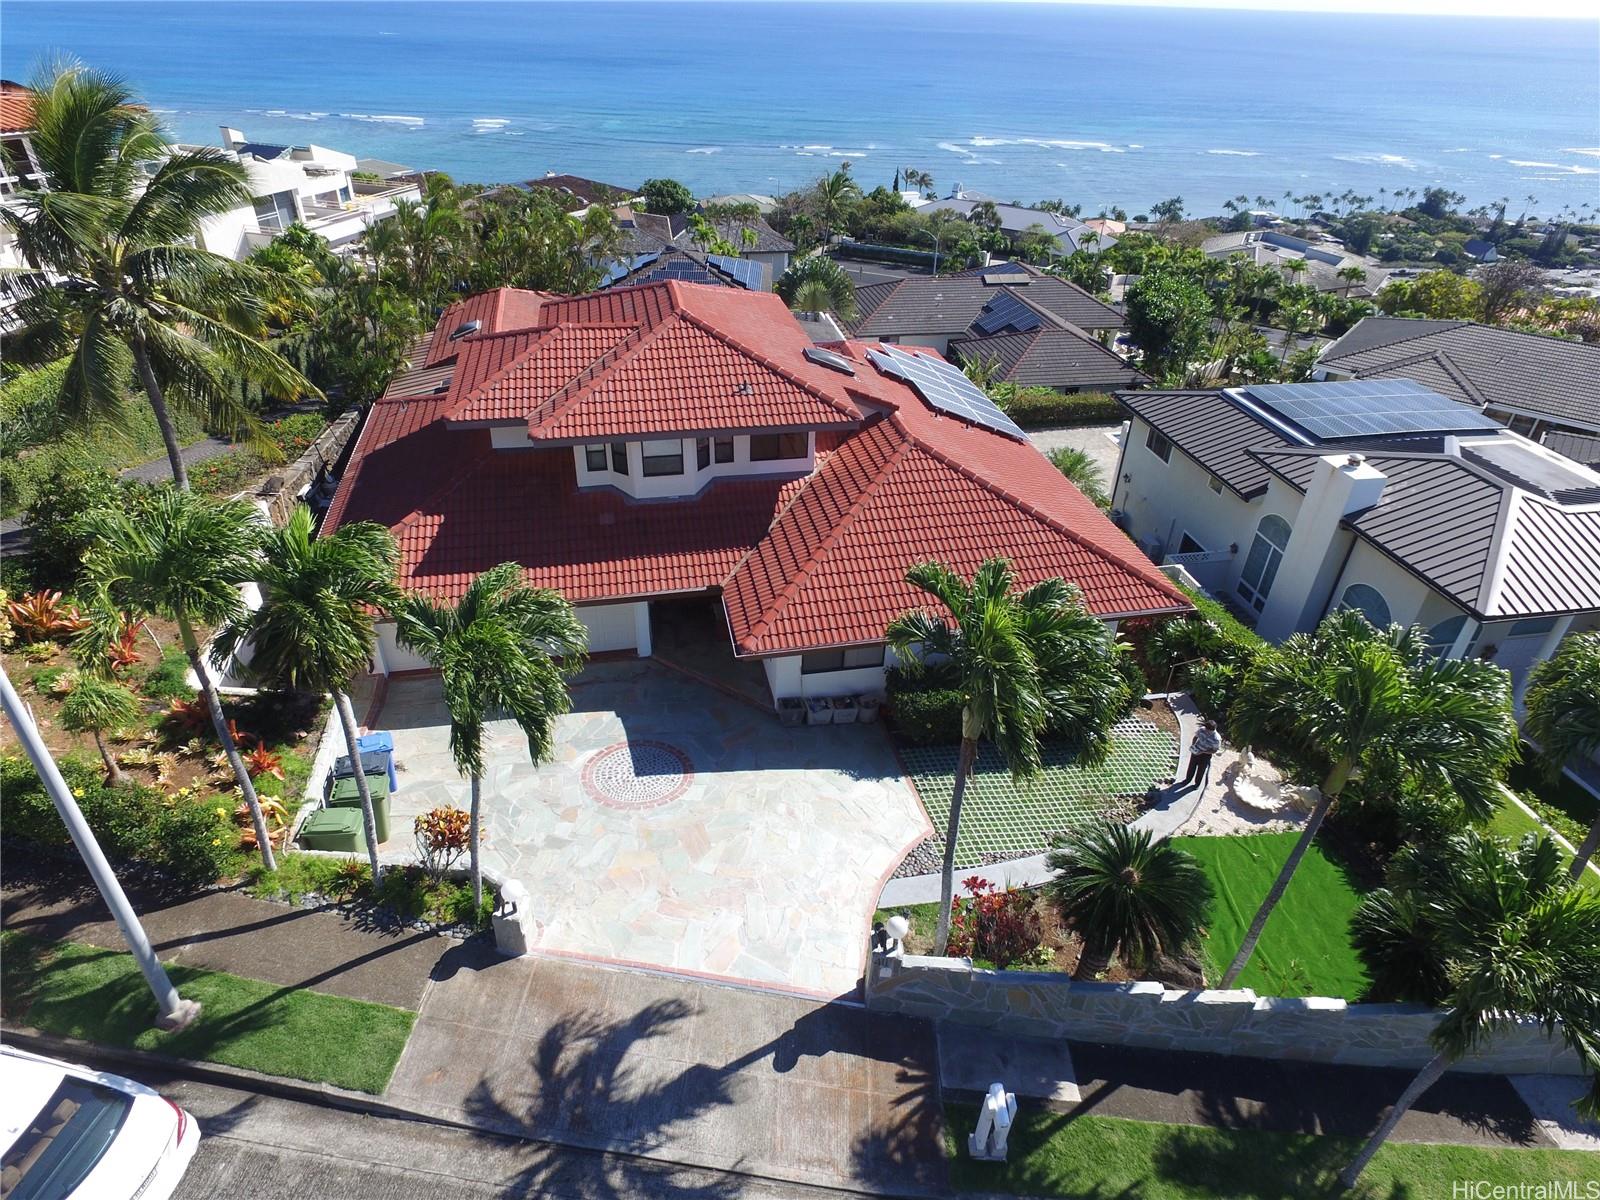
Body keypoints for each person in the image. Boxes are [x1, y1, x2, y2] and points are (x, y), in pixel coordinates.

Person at [1180, 718, 1222, 790]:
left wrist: (1203, 752)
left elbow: (1214, 750)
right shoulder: (1202, 729)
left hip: (1205, 755)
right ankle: (1187, 780)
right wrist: (1193, 745)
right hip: (1196, 751)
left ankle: (1197, 784)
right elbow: (1196, 737)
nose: (1206, 731)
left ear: (1212, 730)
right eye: (1206, 729)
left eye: (1208, 730)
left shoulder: (1216, 738)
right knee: (1191, 766)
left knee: (1201, 770)